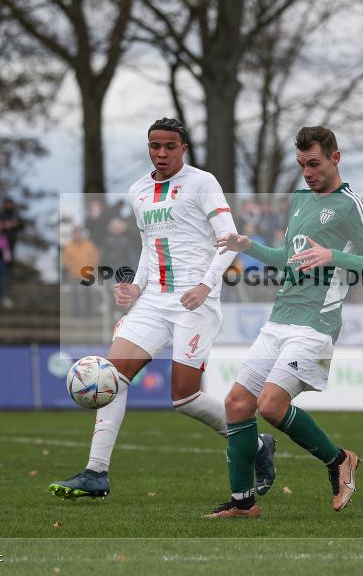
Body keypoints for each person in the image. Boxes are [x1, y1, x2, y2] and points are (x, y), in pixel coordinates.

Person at [49, 118, 275, 501]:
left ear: (183, 148)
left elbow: (230, 241)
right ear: (149, 148)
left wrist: (206, 285)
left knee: (184, 398)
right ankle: (95, 473)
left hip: (195, 302)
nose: (162, 153)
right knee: (112, 375)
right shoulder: (138, 191)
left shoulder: (202, 183)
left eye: (170, 146)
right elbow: (148, 247)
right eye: (156, 146)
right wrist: (137, 286)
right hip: (154, 300)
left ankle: (257, 446)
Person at [208, 126, 363, 518]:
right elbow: (289, 258)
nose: (307, 172)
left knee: (271, 407)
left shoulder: (353, 205)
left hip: (315, 324)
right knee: (237, 404)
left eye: (314, 163)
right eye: (301, 164)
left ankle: (339, 460)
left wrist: (334, 257)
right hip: (280, 319)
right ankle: (243, 504)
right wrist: (249, 246)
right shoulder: (300, 199)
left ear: (335, 158)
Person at [61, 226, 99, 316]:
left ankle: (89, 312)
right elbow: (66, 260)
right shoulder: (68, 246)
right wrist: (72, 268)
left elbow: (94, 258)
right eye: (74, 233)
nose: (76, 235)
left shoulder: (89, 245)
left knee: (88, 294)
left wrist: (90, 269)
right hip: (74, 275)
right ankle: (76, 313)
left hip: (87, 275)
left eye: (78, 233)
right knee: (75, 294)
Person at [0, 197, 24, 262]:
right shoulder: (0, 214)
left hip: (11, 240)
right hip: (1, 239)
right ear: (4, 205)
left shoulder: (15, 215)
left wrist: (15, 224)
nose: (9, 205)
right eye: (7, 204)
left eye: (10, 204)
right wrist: (4, 225)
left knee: (8, 260)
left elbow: (21, 225)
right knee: (0, 258)